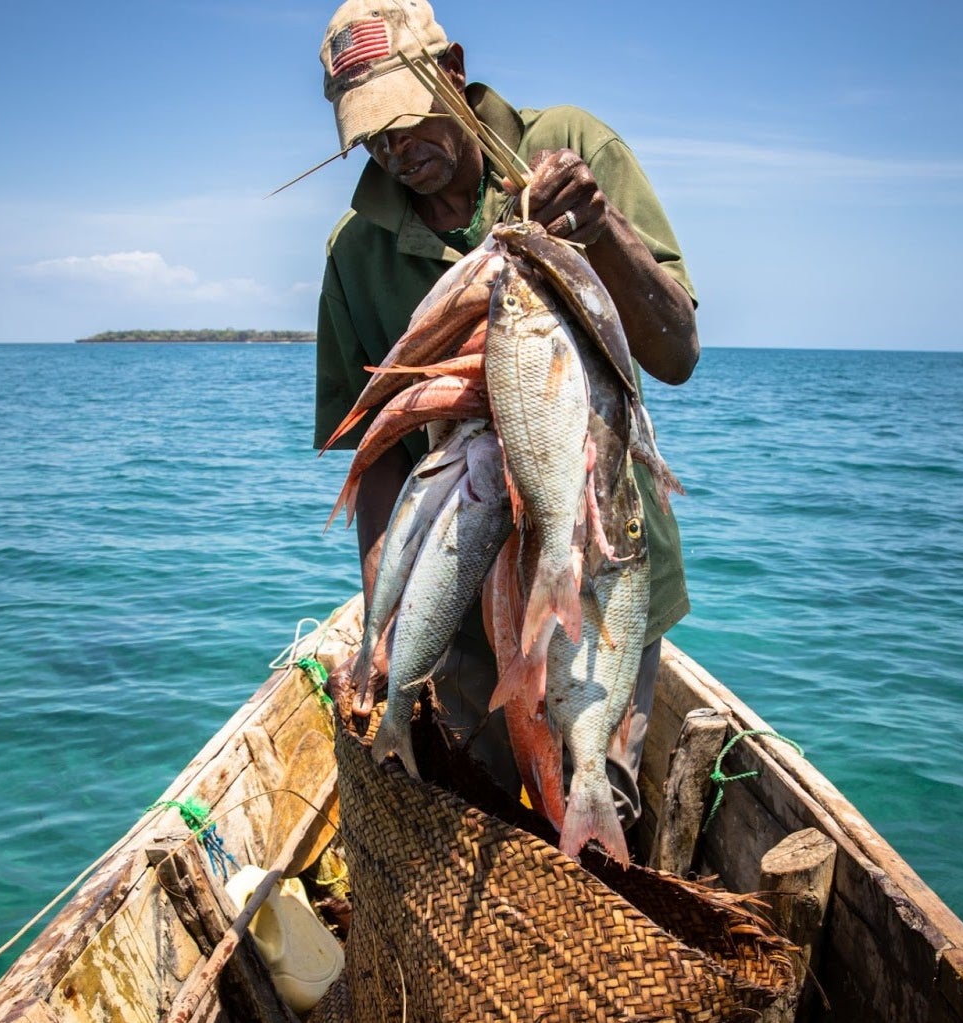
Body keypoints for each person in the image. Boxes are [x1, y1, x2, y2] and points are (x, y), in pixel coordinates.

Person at [314, 0, 699, 832]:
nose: (395, 151)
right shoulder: (354, 251)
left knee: (597, 800)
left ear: (452, 70)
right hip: (462, 597)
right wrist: (385, 621)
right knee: (469, 806)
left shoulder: (571, 146)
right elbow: (377, 456)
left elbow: (678, 353)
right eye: (372, 137)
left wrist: (602, 227)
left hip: (602, 565)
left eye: (406, 121)